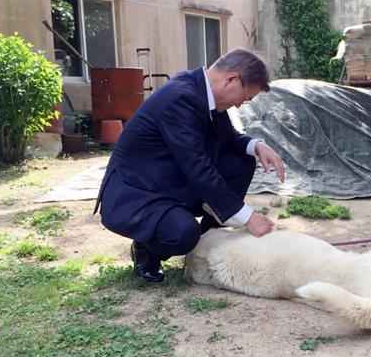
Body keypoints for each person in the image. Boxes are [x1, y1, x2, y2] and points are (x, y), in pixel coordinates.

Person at [94, 48, 285, 282]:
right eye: (245, 98)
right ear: (232, 79)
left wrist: (256, 145)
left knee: (241, 161)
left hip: (170, 177)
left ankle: (205, 242)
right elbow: (198, 167)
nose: (239, 106)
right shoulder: (180, 98)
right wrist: (248, 217)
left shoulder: (203, 92)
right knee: (182, 233)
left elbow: (227, 136)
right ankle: (146, 248)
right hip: (139, 191)